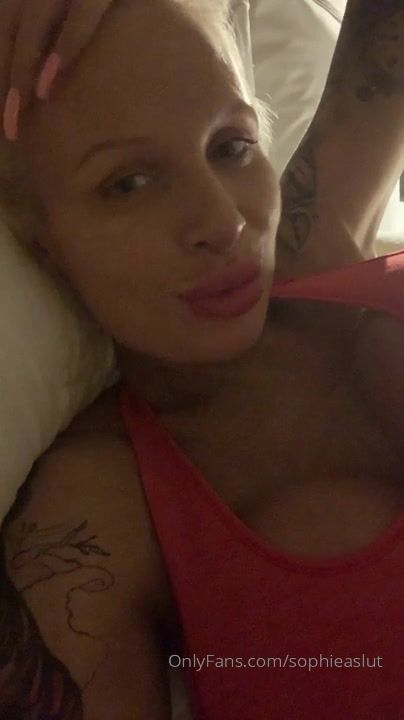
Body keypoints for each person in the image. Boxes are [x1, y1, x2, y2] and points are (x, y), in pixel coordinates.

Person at [0, 0, 403, 717]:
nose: (223, 222)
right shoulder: (98, 510)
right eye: (127, 183)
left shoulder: (317, 239)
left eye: (232, 147)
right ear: (42, 247)